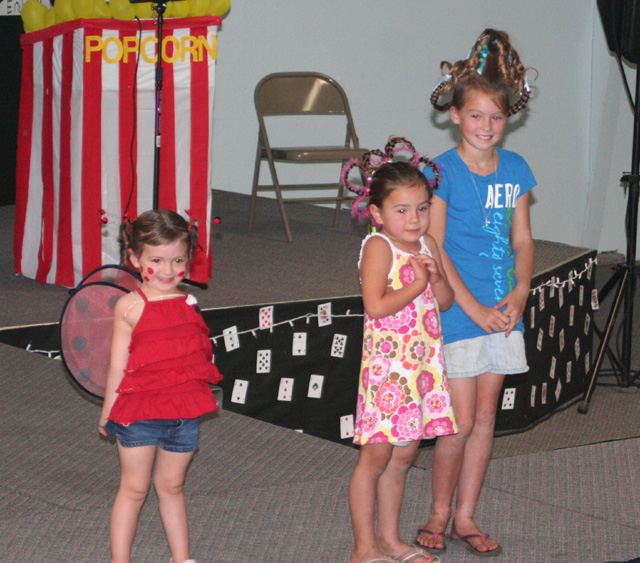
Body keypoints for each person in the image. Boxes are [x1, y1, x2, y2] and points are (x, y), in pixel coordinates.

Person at [416, 29, 535, 557]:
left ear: (508, 118)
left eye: (496, 117)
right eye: (476, 116)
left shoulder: (517, 169)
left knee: (486, 418)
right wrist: (472, 308)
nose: (486, 126)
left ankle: (466, 516)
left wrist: (522, 290)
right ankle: (439, 513)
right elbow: (436, 246)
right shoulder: (441, 172)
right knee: (460, 421)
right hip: (462, 313)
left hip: (504, 310)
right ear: (455, 115)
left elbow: (523, 239)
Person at [342, 138, 457, 563]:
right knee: (376, 457)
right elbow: (375, 306)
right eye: (402, 210)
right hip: (389, 372)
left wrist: (436, 279)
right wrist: (417, 283)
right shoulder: (379, 247)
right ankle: (364, 546)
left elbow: (444, 302)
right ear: (377, 213)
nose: (414, 219)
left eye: (422, 208)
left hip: (421, 366)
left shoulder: (428, 245)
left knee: (404, 456)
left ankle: (390, 540)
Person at [98, 209, 222, 563]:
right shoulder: (129, 306)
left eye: (177, 260)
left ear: (189, 258)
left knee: (172, 486)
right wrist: (108, 412)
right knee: (134, 488)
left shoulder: (189, 303)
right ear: (135, 259)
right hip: (139, 413)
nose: (167, 270)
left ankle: (181, 558)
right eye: (156, 260)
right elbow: (117, 365)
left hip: (184, 411)